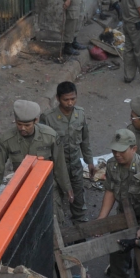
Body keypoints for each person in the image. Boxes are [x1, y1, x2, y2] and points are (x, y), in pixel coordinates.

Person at [96, 129, 140, 278]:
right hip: (123, 214)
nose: (117, 154)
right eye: (114, 150)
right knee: (118, 249)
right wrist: (102, 219)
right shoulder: (112, 165)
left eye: (121, 151)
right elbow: (110, 190)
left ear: (133, 149)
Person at [0, 100, 72, 223]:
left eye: (27, 125)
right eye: (19, 124)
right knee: (25, 224)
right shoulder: (7, 139)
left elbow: (60, 165)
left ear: (36, 120)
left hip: (47, 186)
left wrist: (67, 188)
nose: (22, 128)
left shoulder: (50, 136)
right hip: (22, 188)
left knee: (54, 220)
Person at [41, 83, 95, 223]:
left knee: (78, 196)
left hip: (75, 165)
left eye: (73, 98)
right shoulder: (48, 118)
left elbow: (85, 139)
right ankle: (59, 228)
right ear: (58, 98)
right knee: (56, 200)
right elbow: (44, 147)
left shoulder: (80, 114)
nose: (70, 103)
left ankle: (80, 224)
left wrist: (89, 161)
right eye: (66, 99)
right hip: (57, 168)